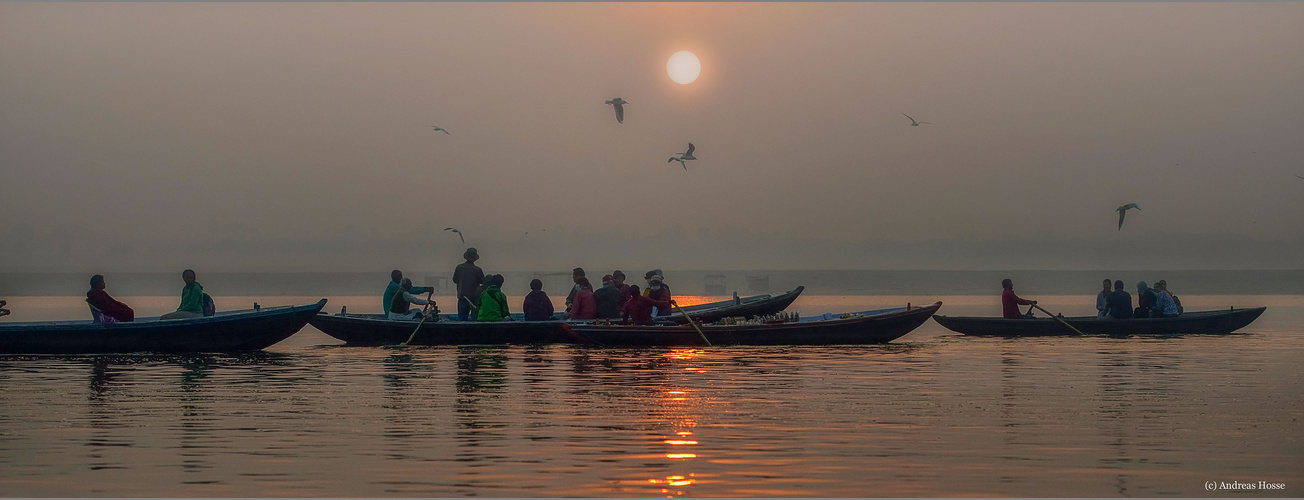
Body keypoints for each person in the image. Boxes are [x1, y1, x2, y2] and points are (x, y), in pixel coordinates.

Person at [452, 248, 485, 321]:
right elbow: (482, 281)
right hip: (474, 297)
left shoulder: (459, 267)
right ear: (475, 258)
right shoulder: (477, 269)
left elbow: (455, 280)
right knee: (475, 319)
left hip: (462, 296)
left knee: (462, 319)